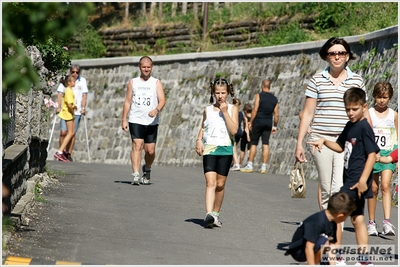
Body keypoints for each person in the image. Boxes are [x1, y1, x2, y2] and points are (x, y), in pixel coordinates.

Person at [295, 37, 372, 211]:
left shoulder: (357, 81)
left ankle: (335, 230)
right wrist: (299, 143)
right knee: (326, 186)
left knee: (338, 186)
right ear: (326, 56)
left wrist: (368, 139)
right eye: (332, 53)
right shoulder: (317, 80)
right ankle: (326, 224)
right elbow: (308, 113)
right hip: (320, 139)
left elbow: (364, 112)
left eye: (341, 53)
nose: (337, 57)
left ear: (347, 56)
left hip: (347, 140)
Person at [308, 87, 380, 265]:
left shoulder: (364, 127)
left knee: (334, 214)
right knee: (357, 219)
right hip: (351, 180)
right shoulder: (350, 126)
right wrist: (324, 141)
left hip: (356, 182)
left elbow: (372, 155)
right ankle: (364, 261)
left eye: (354, 109)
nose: (350, 113)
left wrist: (363, 180)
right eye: (347, 109)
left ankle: (336, 257)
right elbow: (340, 146)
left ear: (364, 106)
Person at [195, 78, 238, 228]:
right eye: (217, 93)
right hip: (210, 150)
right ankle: (208, 214)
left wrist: (225, 112)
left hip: (225, 150)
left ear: (228, 93)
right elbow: (203, 127)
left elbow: (234, 131)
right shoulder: (207, 110)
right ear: (213, 93)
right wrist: (199, 139)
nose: (220, 96)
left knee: (220, 184)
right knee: (210, 182)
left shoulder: (233, 109)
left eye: (223, 93)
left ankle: (216, 214)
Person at [121, 56, 166, 185]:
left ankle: (147, 168)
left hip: (151, 121)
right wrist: (124, 119)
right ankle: (135, 175)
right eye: (144, 67)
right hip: (135, 119)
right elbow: (128, 101)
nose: (146, 69)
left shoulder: (156, 83)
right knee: (137, 145)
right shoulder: (133, 82)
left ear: (151, 67)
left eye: (148, 67)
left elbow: (162, 100)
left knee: (150, 151)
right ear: (139, 67)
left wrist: (156, 110)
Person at [284, 192, 356, 265]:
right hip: (299, 250)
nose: (345, 220)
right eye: (346, 217)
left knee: (327, 243)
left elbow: (332, 246)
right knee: (325, 242)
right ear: (340, 216)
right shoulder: (317, 222)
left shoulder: (333, 222)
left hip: (314, 245)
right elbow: (309, 247)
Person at [366, 81, 398, 236]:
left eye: (385, 97)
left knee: (385, 185)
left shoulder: (394, 115)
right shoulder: (369, 113)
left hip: (389, 154)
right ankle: (371, 222)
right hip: (373, 153)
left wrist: (396, 158)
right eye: (379, 97)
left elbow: (398, 137)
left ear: (390, 97)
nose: (382, 100)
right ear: (374, 96)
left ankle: (387, 222)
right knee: (373, 188)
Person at [241, 79, 279, 174]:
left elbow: (255, 110)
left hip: (258, 122)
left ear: (262, 86)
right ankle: (264, 166)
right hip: (268, 123)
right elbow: (276, 114)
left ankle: (250, 164)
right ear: (270, 87)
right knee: (265, 144)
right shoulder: (275, 99)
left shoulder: (259, 96)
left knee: (254, 143)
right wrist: (275, 126)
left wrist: (250, 122)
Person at [56, 64, 88, 162]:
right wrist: (58, 106)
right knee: (64, 132)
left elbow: (84, 95)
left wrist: (82, 108)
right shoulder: (67, 81)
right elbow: (60, 94)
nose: (75, 74)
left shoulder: (82, 81)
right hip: (68, 112)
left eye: (77, 72)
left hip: (76, 112)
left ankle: (67, 154)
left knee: (72, 133)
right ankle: (61, 151)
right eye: (73, 72)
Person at [54, 75, 77, 162]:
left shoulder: (69, 90)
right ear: (69, 83)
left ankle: (63, 151)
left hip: (68, 113)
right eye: (73, 81)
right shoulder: (68, 91)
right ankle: (60, 151)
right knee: (70, 133)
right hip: (68, 114)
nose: (75, 83)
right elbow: (69, 104)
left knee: (71, 132)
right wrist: (73, 112)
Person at [230, 99, 243, 171]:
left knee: (233, 147)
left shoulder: (233, 113)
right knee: (234, 147)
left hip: (234, 131)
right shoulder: (241, 113)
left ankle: (236, 164)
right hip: (240, 131)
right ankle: (234, 162)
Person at [239, 103, 252, 167]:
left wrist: (247, 136)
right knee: (249, 149)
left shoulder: (245, 118)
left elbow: (246, 128)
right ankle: (249, 163)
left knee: (242, 150)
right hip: (252, 133)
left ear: (245, 111)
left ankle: (240, 164)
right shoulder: (253, 117)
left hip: (246, 134)